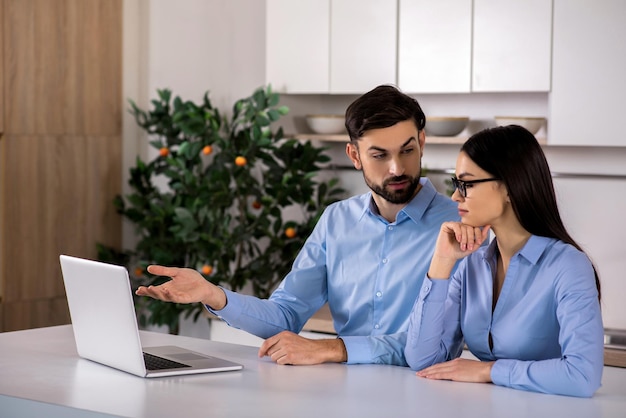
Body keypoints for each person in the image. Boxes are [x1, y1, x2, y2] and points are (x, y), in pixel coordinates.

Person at [136, 85, 459, 366]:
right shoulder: (337, 220)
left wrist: (334, 349)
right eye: (379, 155)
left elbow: (435, 346)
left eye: (407, 150)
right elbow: (286, 314)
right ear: (354, 155)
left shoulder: (459, 226)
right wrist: (214, 294)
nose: (396, 168)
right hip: (341, 395)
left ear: (422, 142)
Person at [404, 125, 604, 397]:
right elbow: (422, 360)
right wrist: (441, 261)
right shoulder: (471, 263)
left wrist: (488, 371)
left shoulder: (568, 266)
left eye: (467, 184)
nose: (455, 196)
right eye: (456, 183)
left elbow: (583, 375)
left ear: (509, 186)